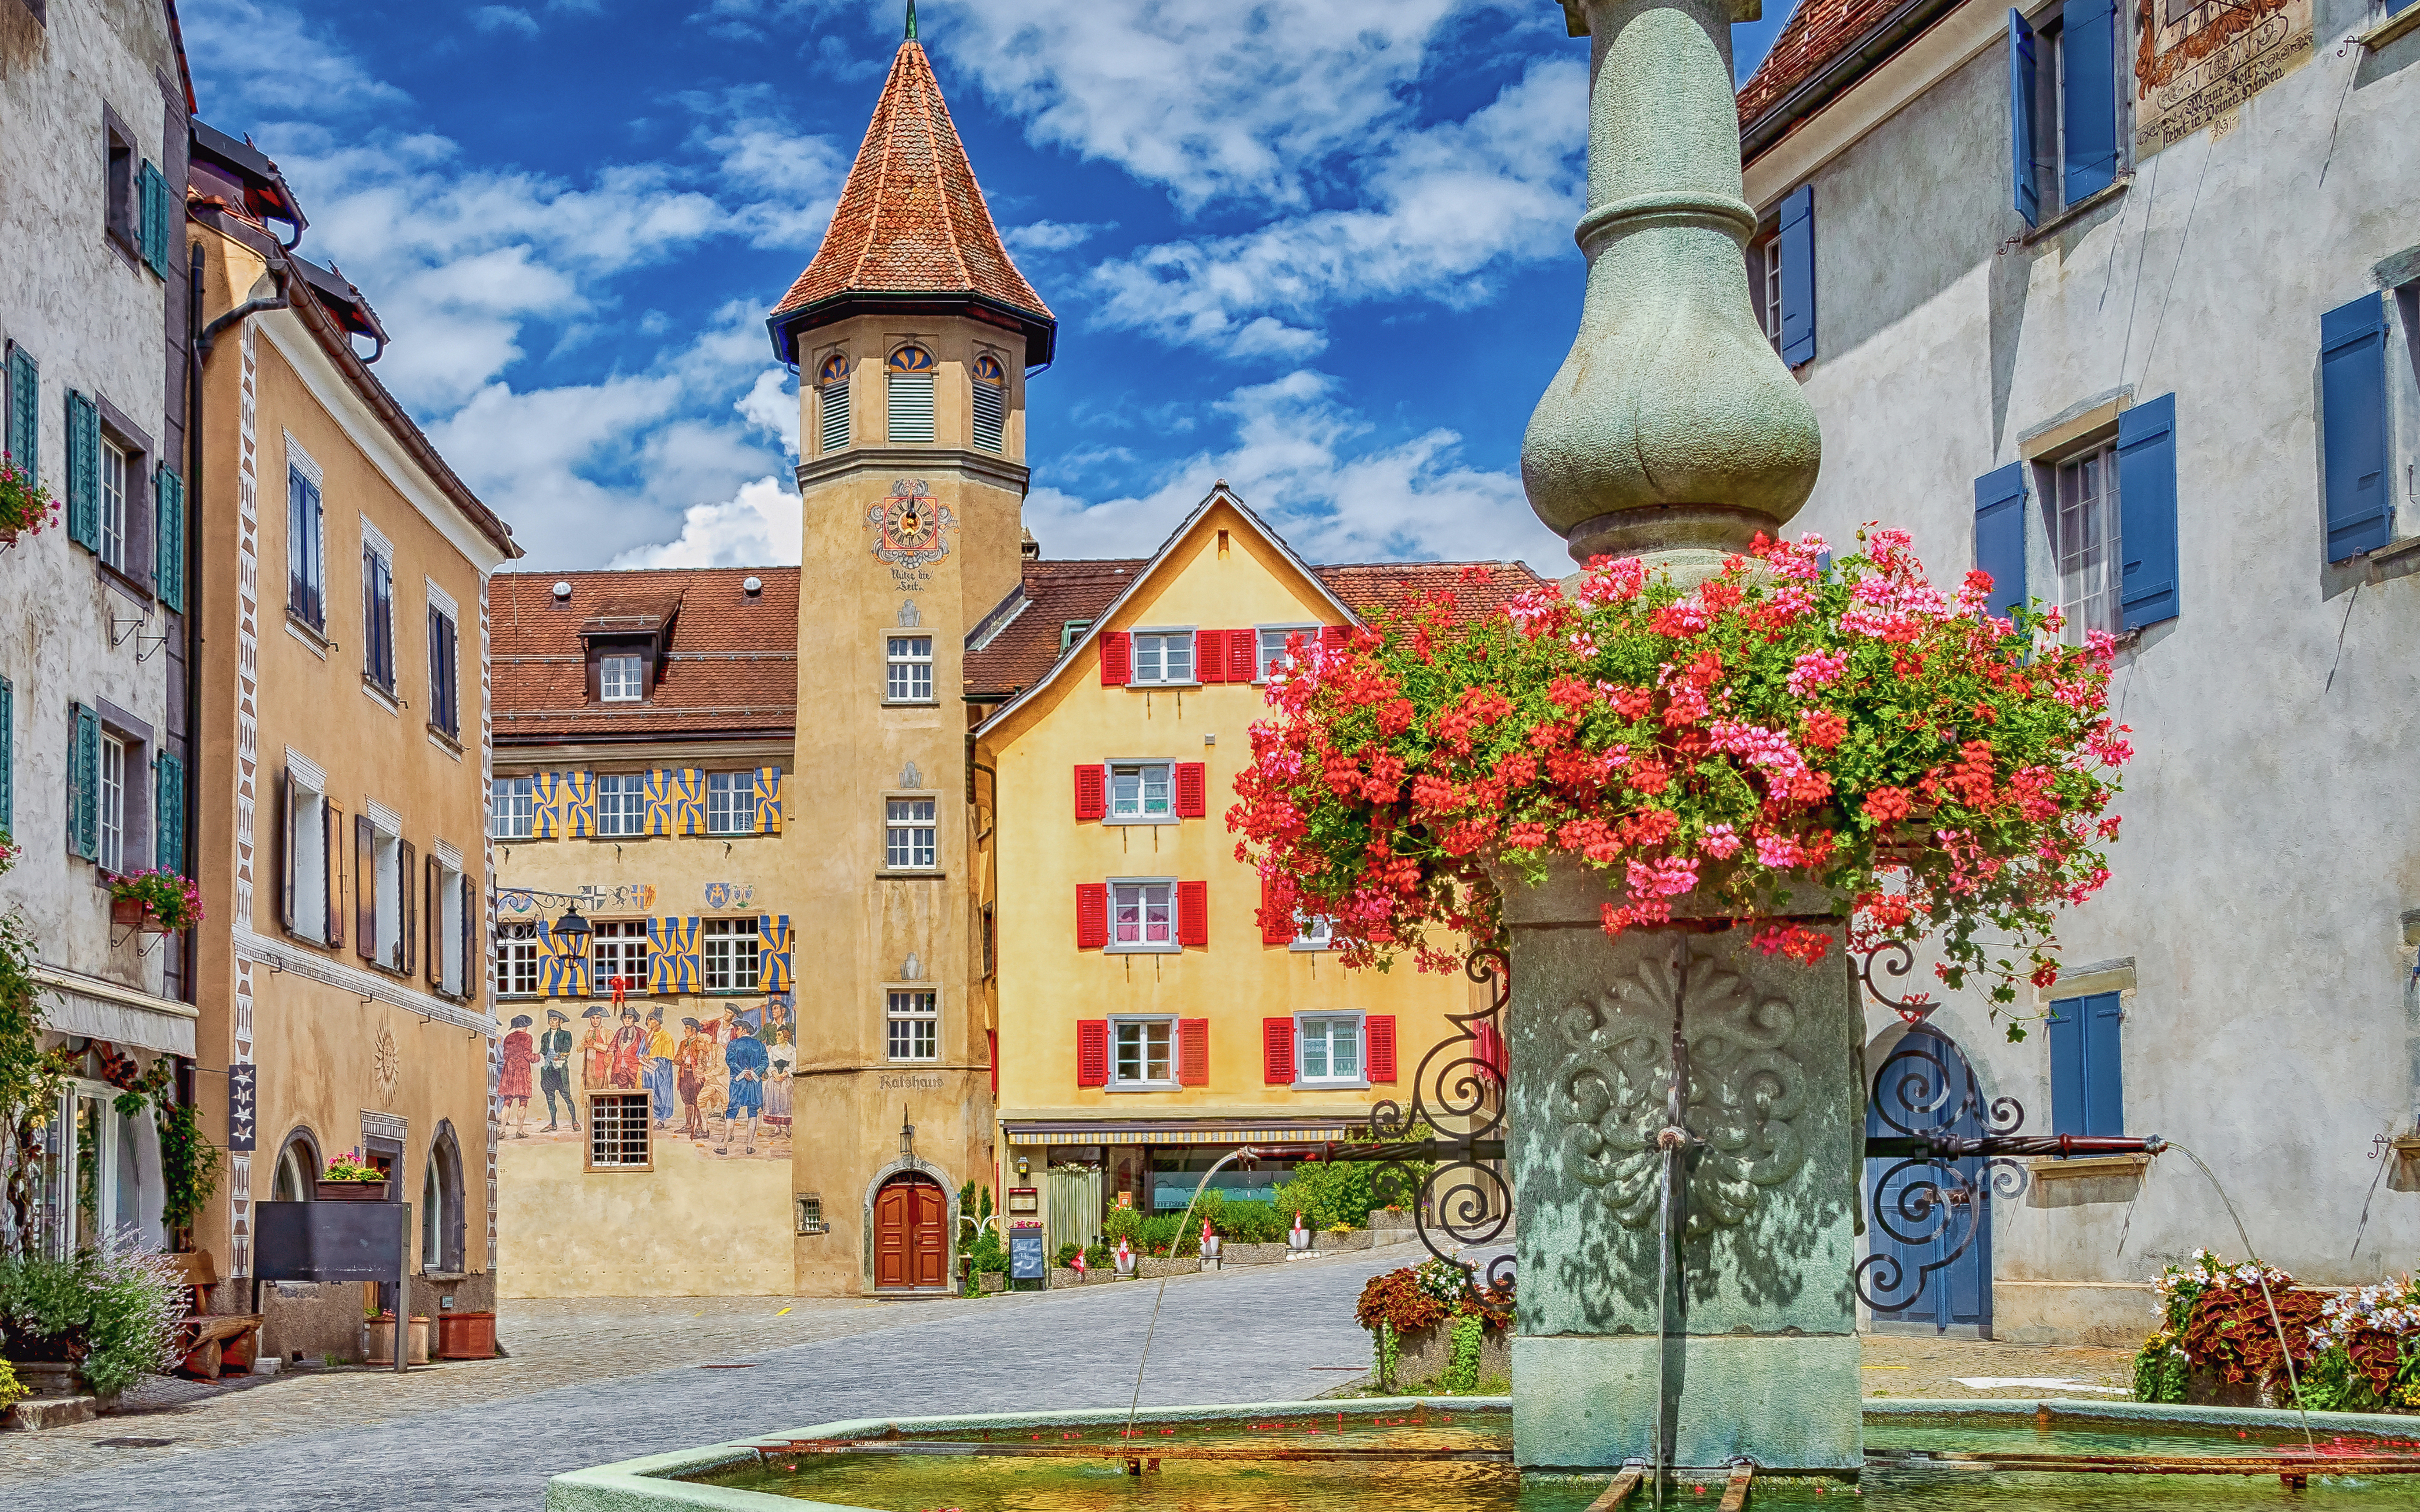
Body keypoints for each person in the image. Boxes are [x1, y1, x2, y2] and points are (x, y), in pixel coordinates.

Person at [718, 1021, 769, 1156]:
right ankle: (750, 1146)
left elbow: (730, 1061)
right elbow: (765, 1062)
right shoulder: (759, 1045)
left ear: (745, 1030)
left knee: (731, 1113)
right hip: (754, 1083)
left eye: (738, 1029)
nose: (737, 1031)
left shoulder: (733, 1044)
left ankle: (724, 1147)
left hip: (738, 1084)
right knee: (753, 1113)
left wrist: (742, 1073)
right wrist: (753, 1073)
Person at [537, 1009, 579, 1133]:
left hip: (560, 1069)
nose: (552, 1022)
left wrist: (560, 1055)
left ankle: (575, 1121)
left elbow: (567, 1048)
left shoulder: (566, 1034)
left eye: (555, 1019)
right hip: (547, 1070)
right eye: (551, 1019)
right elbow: (542, 1051)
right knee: (550, 1097)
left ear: (560, 1022)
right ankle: (553, 1123)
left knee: (567, 1096)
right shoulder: (545, 1036)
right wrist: (539, 1057)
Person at [676, 1017, 714, 1139]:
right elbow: (676, 1060)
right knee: (687, 1101)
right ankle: (688, 1125)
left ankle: (699, 1126)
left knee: (698, 1101)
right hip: (684, 1075)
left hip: (696, 1076)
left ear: (694, 1030)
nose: (684, 1031)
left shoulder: (701, 1041)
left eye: (687, 1028)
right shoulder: (683, 1043)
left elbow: (706, 1058)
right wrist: (683, 1056)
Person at [499, 1015, 536, 1137]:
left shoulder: (508, 1038)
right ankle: (520, 1131)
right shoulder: (527, 1037)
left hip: (509, 1071)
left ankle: (502, 1130)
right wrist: (538, 1057)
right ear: (525, 1027)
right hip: (522, 1072)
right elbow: (528, 1055)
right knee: (523, 1101)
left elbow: (505, 1055)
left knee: (507, 1101)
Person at [642, 1008, 678, 1127]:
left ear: (657, 1021)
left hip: (660, 1072)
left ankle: (661, 1120)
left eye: (651, 1019)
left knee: (660, 1094)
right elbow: (642, 1052)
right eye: (648, 1019)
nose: (648, 1021)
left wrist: (652, 1058)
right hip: (648, 1070)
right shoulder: (648, 1036)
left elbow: (667, 1058)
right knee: (649, 1092)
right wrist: (644, 1058)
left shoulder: (666, 1037)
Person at [608, 1005, 646, 1089]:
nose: (627, 1020)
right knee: (622, 1091)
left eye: (630, 1018)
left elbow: (646, 1049)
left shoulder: (641, 1033)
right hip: (621, 1068)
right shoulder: (620, 1032)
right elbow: (613, 1045)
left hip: (634, 1068)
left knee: (637, 1089)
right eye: (625, 1018)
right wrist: (609, 1055)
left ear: (634, 1019)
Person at [577, 1004, 612, 1089]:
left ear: (601, 1019)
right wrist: (585, 1043)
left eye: (598, 1018)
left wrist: (594, 1045)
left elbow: (610, 1048)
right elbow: (579, 1049)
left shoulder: (608, 1032)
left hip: (602, 1065)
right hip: (589, 1066)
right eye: (593, 1018)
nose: (595, 1021)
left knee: (603, 1091)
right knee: (590, 1091)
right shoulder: (587, 1033)